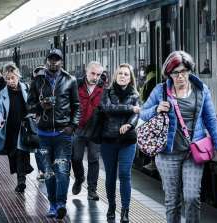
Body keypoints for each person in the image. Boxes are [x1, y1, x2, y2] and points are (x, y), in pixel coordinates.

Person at [140, 51, 217, 223]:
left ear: (189, 71)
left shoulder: (201, 90)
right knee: (172, 201)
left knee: (192, 197)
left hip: (193, 153)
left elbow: (211, 119)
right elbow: (143, 114)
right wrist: (156, 109)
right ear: (169, 74)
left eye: (184, 71)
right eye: (175, 73)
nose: (180, 76)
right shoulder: (160, 91)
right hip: (167, 154)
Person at [28, 48, 80, 220]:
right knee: (49, 171)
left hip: (63, 134)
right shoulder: (37, 81)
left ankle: (61, 204)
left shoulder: (70, 80)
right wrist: (40, 107)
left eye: (56, 59)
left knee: (63, 170)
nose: (53, 62)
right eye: (50, 59)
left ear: (62, 62)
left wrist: (72, 126)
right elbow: (29, 106)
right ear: (46, 61)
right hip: (43, 134)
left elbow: (76, 106)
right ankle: (51, 204)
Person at [99, 63, 140, 222]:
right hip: (108, 140)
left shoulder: (135, 94)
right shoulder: (107, 93)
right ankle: (111, 206)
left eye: (126, 74)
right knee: (110, 176)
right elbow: (108, 109)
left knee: (124, 174)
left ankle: (125, 211)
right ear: (116, 76)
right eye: (120, 73)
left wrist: (130, 124)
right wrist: (130, 109)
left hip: (128, 141)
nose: (123, 76)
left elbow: (136, 115)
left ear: (130, 79)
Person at [0, 63, 33, 193]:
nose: (11, 81)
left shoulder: (26, 88)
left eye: (13, 78)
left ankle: (21, 181)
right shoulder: (3, 93)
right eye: (8, 79)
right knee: (13, 154)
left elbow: (33, 103)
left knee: (22, 152)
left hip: (24, 127)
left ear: (18, 76)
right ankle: (21, 175)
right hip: (10, 128)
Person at [71, 61, 104, 200]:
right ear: (86, 71)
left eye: (98, 74)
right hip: (79, 128)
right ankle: (79, 178)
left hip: (96, 130)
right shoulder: (76, 85)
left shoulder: (104, 89)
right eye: (93, 73)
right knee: (76, 158)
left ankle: (92, 190)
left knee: (94, 160)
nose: (95, 77)